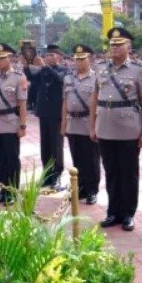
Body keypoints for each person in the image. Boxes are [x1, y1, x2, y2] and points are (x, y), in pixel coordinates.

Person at [89, 28, 142, 231]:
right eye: (112, 44)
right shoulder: (100, 68)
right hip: (105, 128)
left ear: (128, 47)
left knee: (128, 173)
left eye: (119, 44)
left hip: (128, 130)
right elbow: (94, 98)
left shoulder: (138, 70)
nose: (114, 47)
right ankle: (113, 212)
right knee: (111, 172)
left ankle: (128, 213)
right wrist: (92, 126)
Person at [0, 43, 28, 205]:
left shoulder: (19, 77)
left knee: (12, 159)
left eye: (2, 58)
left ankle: (12, 191)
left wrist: (23, 125)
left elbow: (22, 104)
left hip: (11, 123)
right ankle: (3, 191)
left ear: (10, 58)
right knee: (0, 160)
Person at [61, 44, 100, 205]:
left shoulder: (96, 78)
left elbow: (98, 103)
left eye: (82, 59)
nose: (78, 62)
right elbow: (64, 102)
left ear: (89, 59)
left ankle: (92, 190)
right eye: (76, 59)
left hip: (88, 123)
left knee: (91, 159)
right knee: (77, 158)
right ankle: (81, 188)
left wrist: (95, 126)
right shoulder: (68, 78)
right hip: (73, 123)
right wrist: (63, 124)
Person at [29, 44, 67, 191]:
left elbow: (59, 79)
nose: (49, 57)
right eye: (47, 55)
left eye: (52, 55)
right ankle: (47, 173)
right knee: (45, 144)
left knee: (56, 145)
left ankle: (57, 175)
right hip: (44, 112)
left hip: (56, 114)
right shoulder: (44, 71)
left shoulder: (64, 70)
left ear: (59, 57)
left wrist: (45, 66)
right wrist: (27, 64)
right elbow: (31, 77)